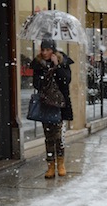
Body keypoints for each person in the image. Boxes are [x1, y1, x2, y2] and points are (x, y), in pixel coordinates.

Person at [31, 39, 74, 179]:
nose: (44, 52)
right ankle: (50, 165)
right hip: (46, 104)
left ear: (53, 51)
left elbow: (66, 80)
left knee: (58, 136)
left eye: (48, 50)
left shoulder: (63, 62)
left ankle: (61, 164)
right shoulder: (38, 65)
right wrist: (47, 73)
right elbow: (37, 84)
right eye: (43, 50)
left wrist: (57, 66)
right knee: (48, 137)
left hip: (59, 105)